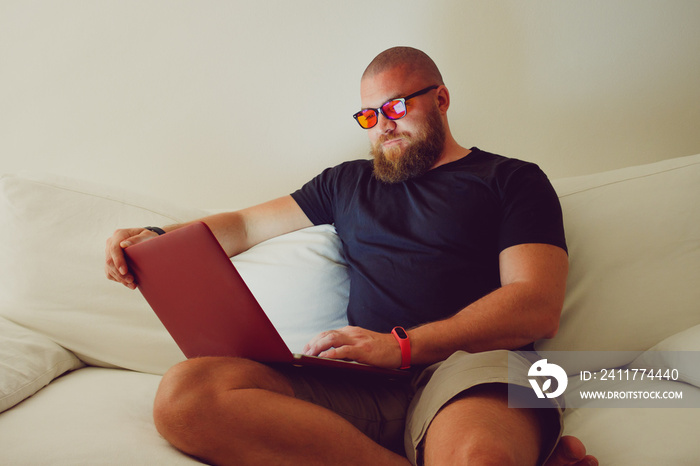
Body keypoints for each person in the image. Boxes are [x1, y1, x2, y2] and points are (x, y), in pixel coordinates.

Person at [106, 47, 598, 466]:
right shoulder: (346, 182)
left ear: (441, 99)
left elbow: (536, 304)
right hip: (364, 384)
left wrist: (402, 346)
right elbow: (245, 224)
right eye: (369, 115)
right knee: (187, 396)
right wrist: (155, 236)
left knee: (477, 458)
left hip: (470, 370)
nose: (382, 125)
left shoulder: (511, 179)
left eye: (396, 107)